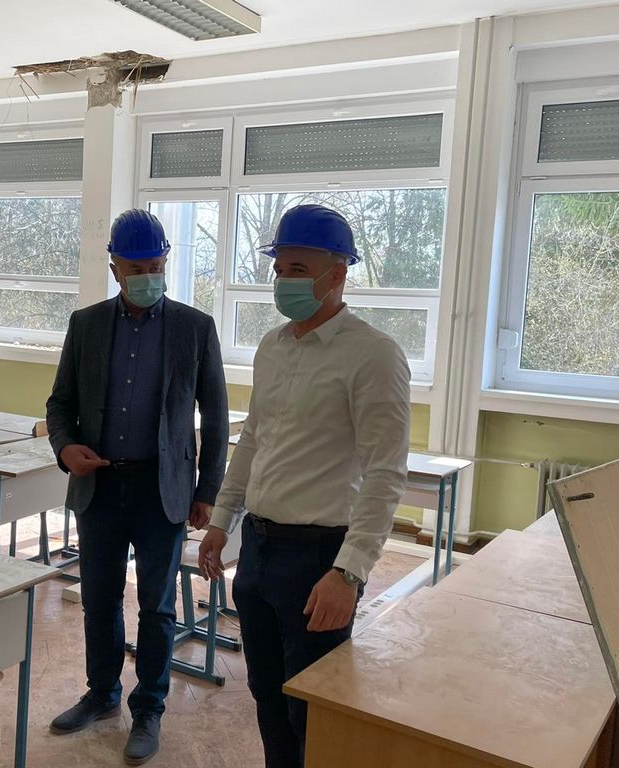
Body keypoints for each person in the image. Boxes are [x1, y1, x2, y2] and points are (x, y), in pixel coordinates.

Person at [199, 204, 410, 768]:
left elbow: (386, 472)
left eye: (297, 269)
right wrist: (221, 520)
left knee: (313, 707)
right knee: (267, 695)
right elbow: (253, 440)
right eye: (279, 269)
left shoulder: (373, 355)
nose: (283, 281)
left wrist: (349, 572)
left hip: (319, 558)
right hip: (259, 548)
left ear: (337, 273)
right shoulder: (273, 347)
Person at [46, 208, 229, 765]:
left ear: (166, 263)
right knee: (99, 600)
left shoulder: (195, 328)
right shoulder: (86, 325)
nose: (148, 276)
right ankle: (102, 694)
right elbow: (61, 404)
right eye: (136, 268)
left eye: (156, 266)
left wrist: (207, 490)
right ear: (115, 269)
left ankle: (149, 707)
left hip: (161, 489)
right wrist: (64, 448)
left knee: (157, 606)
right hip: (100, 487)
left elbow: (215, 417)